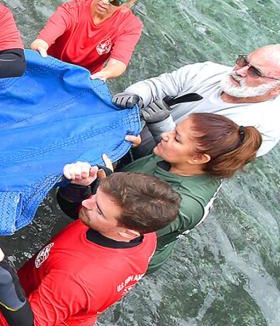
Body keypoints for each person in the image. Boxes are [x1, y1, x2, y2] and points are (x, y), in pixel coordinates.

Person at [0, 172, 181, 326]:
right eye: (96, 195)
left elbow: (26, 324)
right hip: (55, 295)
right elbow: (79, 211)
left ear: (127, 231)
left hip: (34, 323)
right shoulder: (145, 236)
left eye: (98, 209)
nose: (88, 204)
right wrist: (81, 186)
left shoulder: (79, 279)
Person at [60, 113, 261, 273]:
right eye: (174, 129)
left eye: (177, 138)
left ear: (199, 158)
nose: (165, 135)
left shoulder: (184, 204)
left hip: (118, 248)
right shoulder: (176, 159)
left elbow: (120, 232)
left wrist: (100, 184)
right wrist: (137, 149)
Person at [113, 44, 280, 158]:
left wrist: (161, 124)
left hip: (161, 169)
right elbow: (159, 85)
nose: (239, 71)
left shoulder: (265, 125)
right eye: (243, 61)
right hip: (139, 137)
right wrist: (136, 95)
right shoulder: (209, 71)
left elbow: (203, 162)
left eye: (255, 72)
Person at [30, 0, 166, 81]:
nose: (104, 1)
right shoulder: (72, 10)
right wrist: (41, 45)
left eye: (115, 0)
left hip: (85, 78)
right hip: (49, 64)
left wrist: (106, 73)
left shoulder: (130, 26)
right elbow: (44, 38)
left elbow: (118, 62)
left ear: (127, 4)